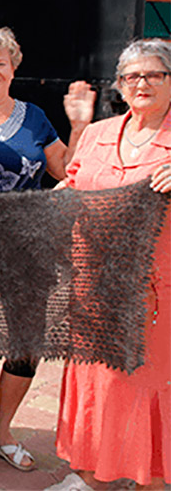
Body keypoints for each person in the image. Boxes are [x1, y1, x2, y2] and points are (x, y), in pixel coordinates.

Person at [0, 26, 94, 471]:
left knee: (25, 340)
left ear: (14, 68)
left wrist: (80, 125)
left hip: (31, 249)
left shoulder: (34, 117)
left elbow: (66, 170)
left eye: (1, 64)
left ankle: (2, 428)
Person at [47, 39, 171, 491]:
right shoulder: (100, 133)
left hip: (155, 293)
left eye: (154, 74)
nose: (142, 83)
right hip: (92, 287)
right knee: (96, 382)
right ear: (120, 84)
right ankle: (90, 474)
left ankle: (150, 478)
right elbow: (72, 186)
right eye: (131, 76)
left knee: (143, 385)